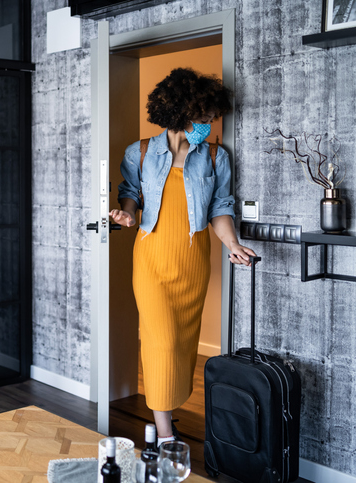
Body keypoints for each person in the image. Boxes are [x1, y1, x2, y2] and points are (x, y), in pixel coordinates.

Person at [109, 68, 257, 446]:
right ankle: (164, 433)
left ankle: (168, 408)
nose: (208, 124)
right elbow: (131, 195)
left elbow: (220, 208)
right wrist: (126, 214)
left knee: (181, 342)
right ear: (179, 113)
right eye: (202, 117)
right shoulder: (139, 151)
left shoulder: (214, 156)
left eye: (210, 118)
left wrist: (233, 245)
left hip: (193, 261)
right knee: (161, 340)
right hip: (152, 258)